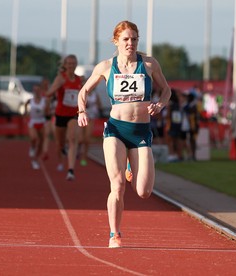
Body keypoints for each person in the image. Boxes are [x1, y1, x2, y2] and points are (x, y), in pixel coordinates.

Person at [77, 20, 171, 248]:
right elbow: (84, 91)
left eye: (134, 39)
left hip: (141, 132)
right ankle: (114, 234)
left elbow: (167, 89)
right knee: (117, 185)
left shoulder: (148, 64)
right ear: (116, 41)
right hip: (116, 130)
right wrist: (82, 110)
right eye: (126, 39)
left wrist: (159, 104)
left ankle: (131, 165)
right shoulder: (106, 67)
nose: (131, 43)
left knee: (144, 192)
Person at [47, 54, 83, 180]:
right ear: (65, 65)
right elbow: (49, 93)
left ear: (76, 64)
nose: (71, 66)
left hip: (74, 114)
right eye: (69, 63)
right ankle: (62, 152)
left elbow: (84, 94)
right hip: (60, 115)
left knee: (72, 139)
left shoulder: (80, 80)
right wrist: (55, 89)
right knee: (60, 144)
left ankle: (71, 170)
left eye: (73, 63)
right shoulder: (60, 78)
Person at [24, 84, 47, 170]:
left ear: (40, 91)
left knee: (41, 143)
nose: (36, 92)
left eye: (38, 90)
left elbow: (48, 112)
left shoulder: (44, 101)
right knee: (34, 138)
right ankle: (32, 147)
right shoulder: (31, 100)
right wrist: (26, 112)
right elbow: (26, 104)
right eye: (35, 90)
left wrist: (47, 112)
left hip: (42, 122)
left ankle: (35, 160)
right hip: (33, 122)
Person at [78, 89, 103, 166]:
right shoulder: (83, 93)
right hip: (83, 117)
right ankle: (78, 150)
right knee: (80, 138)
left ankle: (84, 157)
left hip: (91, 117)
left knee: (87, 138)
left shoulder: (95, 94)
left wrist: (96, 107)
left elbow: (100, 105)